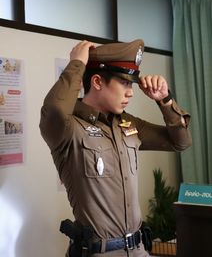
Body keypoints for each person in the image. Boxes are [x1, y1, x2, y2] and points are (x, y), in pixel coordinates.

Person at [39, 39, 192, 257]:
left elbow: (181, 142)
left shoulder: (127, 125)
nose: (130, 92)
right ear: (98, 81)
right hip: (98, 252)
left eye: (131, 84)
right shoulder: (69, 129)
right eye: (124, 83)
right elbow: (54, 110)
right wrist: (76, 65)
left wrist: (165, 101)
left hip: (139, 250)